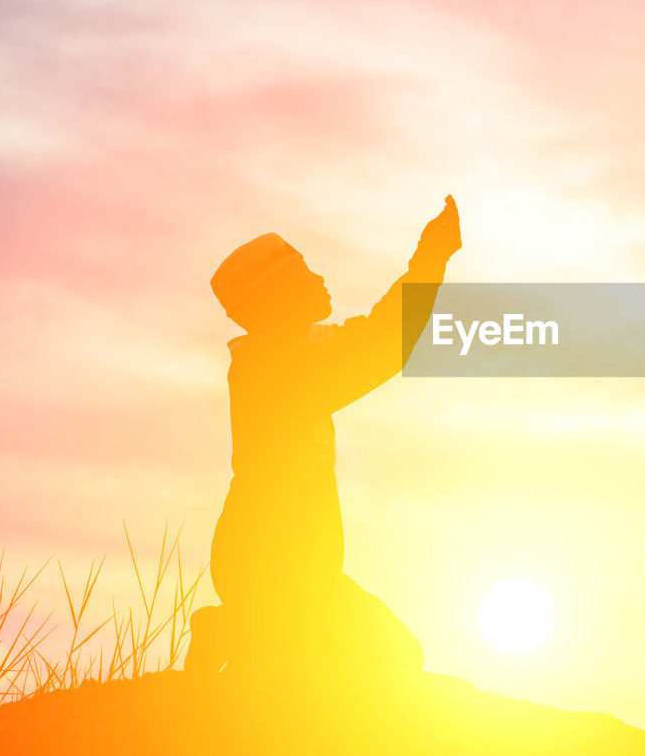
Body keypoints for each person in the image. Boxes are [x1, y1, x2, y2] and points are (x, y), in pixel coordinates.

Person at [185, 195, 461, 674]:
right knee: (380, 658)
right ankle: (234, 630)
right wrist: (430, 258)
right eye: (303, 274)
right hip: (273, 567)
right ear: (279, 297)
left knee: (382, 655)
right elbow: (384, 339)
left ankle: (234, 629)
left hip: (291, 569)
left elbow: (377, 339)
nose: (319, 279)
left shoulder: (286, 357)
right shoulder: (280, 366)